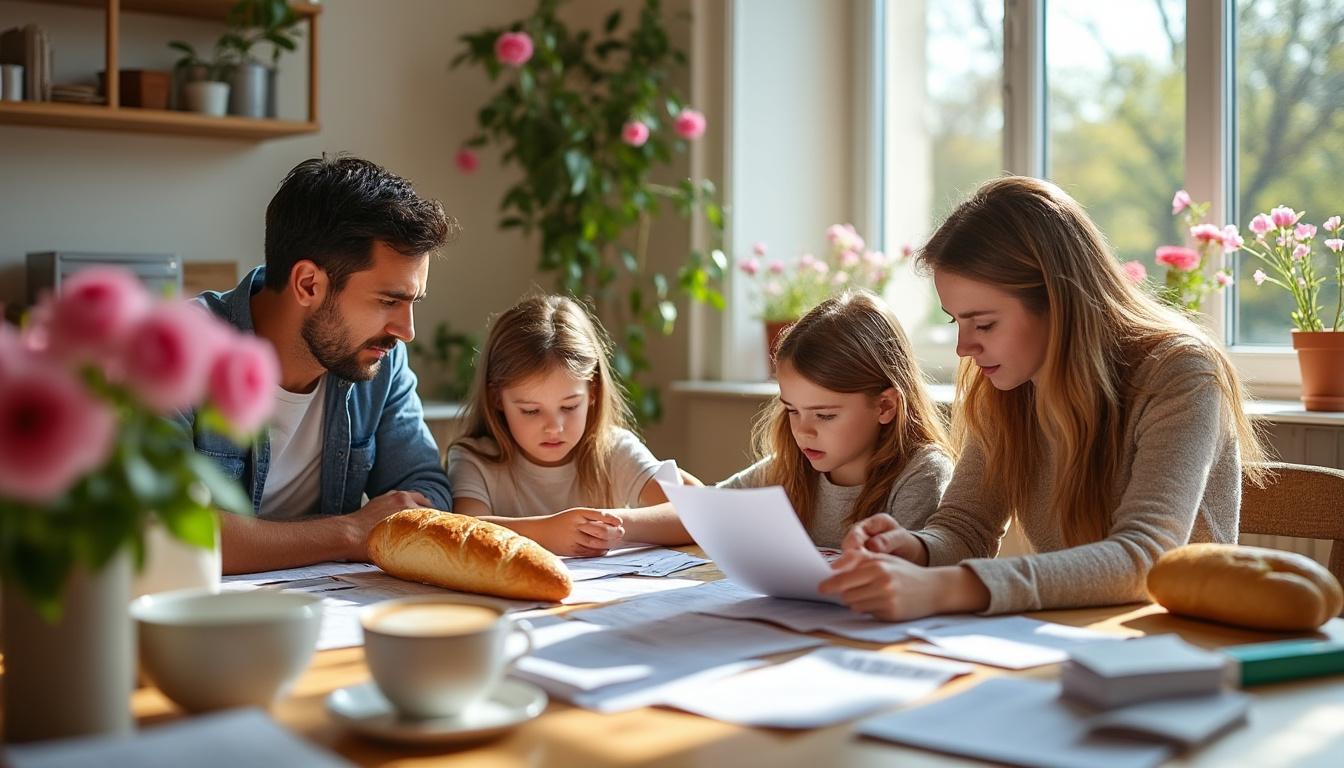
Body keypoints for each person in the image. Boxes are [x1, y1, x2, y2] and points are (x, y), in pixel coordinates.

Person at [820, 176, 1266, 619]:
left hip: (1175, 642)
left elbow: (1144, 559)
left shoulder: (1179, 371)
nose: (964, 348)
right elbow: (965, 526)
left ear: (1058, 300)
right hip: (1070, 634)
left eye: (985, 324)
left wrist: (946, 587)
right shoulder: (1009, 388)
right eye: (957, 321)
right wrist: (913, 549)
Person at [186, 154, 457, 574]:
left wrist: (272, 540)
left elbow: (425, 492)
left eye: (411, 303)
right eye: (389, 301)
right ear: (308, 284)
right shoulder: (179, 355)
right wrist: (349, 533)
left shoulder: (380, 359)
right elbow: (171, 532)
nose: (406, 331)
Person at [446, 295, 686, 556]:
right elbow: (465, 532)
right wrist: (546, 533)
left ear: (593, 392)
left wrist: (606, 526)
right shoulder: (474, 459)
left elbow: (690, 517)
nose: (554, 428)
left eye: (570, 407)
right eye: (531, 411)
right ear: (497, 400)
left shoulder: (614, 448)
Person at [717, 290, 954, 548]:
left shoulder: (922, 473)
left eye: (825, 415)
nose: (802, 431)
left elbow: (905, 575)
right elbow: (709, 509)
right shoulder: (792, 465)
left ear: (885, 406)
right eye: (792, 410)